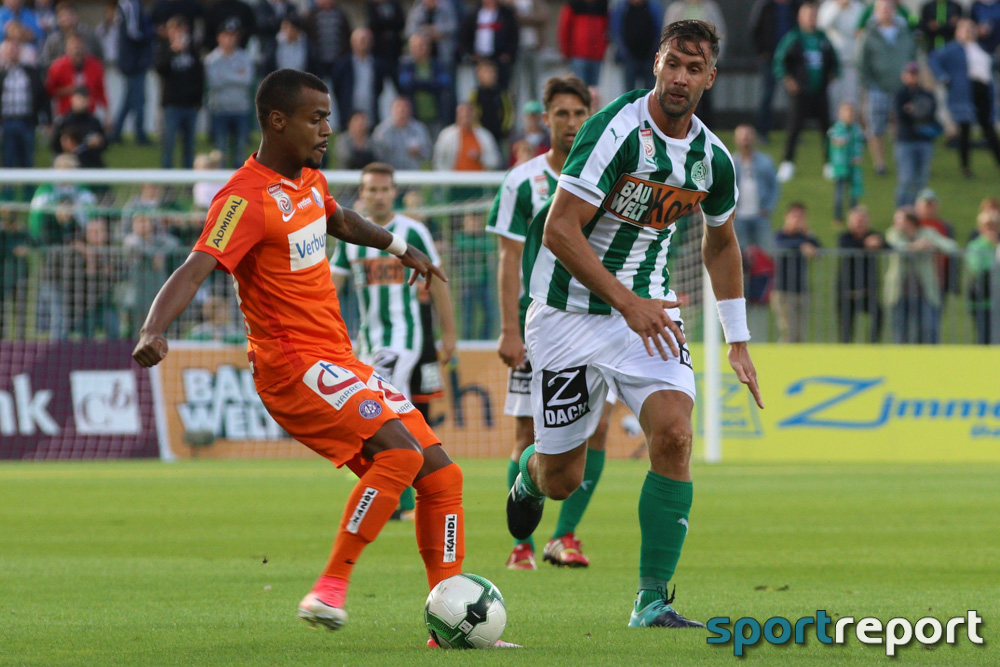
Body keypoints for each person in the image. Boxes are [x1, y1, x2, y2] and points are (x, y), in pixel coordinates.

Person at [130, 69, 515, 648]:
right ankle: (328, 588)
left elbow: (338, 220)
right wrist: (154, 329)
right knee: (400, 457)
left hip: (338, 357)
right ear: (277, 122)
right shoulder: (244, 197)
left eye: (328, 117)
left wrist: (402, 247)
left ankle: (448, 625)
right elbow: (198, 264)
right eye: (316, 118)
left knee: (444, 476)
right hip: (291, 367)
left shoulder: (310, 179)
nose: (327, 129)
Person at [507, 20, 763, 628]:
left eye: (693, 69)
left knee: (674, 435)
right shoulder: (614, 130)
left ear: (710, 79)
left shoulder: (711, 160)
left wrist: (738, 339)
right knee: (563, 479)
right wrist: (627, 301)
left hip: (646, 312)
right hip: (569, 314)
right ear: (655, 62)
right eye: (673, 63)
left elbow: (721, 245)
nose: (680, 78)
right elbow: (560, 229)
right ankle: (528, 477)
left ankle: (652, 600)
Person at [487, 74, 612, 570]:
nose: (571, 122)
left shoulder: (607, 176)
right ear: (546, 119)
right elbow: (507, 257)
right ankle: (521, 543)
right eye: (561, 114)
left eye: (579, 113)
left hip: (596, 323)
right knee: (528, 431)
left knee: (597, 431)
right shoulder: (523, 180)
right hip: (537, 324)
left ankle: (565, 537)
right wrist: (508, 329)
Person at [330, 162, 457, 521]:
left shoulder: (413, 231)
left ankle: (399, 501)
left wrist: (450, 334)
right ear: (362, 193)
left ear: (394, 193)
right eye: (372, 189)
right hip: (368, 343)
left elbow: (438, 281)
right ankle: (404, 500)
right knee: (390, 418)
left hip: (407, 340)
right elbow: (330, 289)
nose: (379, 195)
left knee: (385, 416)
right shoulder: (350, 238)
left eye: (384, 189)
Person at [773, 2, 838, 183]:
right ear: (800, 18)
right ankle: (787, 163)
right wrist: (788, 80)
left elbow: (835, 61)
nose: (811, 19)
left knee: (827, 128)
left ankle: (830, 163)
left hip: (820, 91)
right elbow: (779, 62)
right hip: (800, 93)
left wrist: (832, 75)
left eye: (813, 15)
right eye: (808, 15)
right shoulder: (793, 38)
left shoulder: (823, 38)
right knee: (794, 129)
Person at [928, 18, 1000, 178]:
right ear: (957, 32)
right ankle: (965, 167)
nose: (969, 32)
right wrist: (944, 77)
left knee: (988, 128)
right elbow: (933, 58)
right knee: (965, 129)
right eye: (965, 29)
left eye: (971, 28)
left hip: (983, 91)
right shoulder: (952, 49)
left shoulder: (980, 47)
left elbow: (990, 65)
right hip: (965, 92)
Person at [858, 0, 917, 175]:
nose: (885, 11)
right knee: (876, 126)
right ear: (875, 11)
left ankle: (901, 160)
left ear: (894, 10)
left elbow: (912, 56)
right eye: (881, 8)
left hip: (901, 87)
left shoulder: (904, 32)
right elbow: (861, 62)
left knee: (900, 124)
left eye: (888, 7)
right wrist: (869, 83)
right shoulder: (869, 34)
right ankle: (880, 163)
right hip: (878, 87)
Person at [884, 207, 958, 344]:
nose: (896, 223)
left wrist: (933, 245)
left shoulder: (927, 233)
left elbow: (951, 246)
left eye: (899, 220)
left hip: (925, 292)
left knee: (929, 329)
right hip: (898, 293)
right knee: (900, 332)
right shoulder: (893, 233)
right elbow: (896, 246)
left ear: (910, 221)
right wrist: (917, 246)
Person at [154, 15, 203, 169]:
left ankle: (188, 185)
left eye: (180, 29)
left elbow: (200, 76)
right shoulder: (163, 49)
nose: (178, 33)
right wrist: (173, 52)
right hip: (171, 105)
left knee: (189, 147)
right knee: (168, 147)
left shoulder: (193, 50)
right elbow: (160, 70)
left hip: (190, 106)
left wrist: (198, 101)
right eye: (174, 30)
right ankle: (168, 185)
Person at [749, 0, 802, 141]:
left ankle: (794, 132)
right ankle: (762, 132)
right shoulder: (765, 6)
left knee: (794, 97)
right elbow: (754, 28)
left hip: (791, 59)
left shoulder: (795, 6)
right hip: (770, 58)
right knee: (767, 95)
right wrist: (761, 51)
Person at [205, 20, 253, 169]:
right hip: (220, 109)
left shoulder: (244, 57)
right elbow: (214, 82)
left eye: (233, 36)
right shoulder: (211, 59)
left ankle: (239, 185)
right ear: (219, 37)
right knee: (221, 150)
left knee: (240, 151)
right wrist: (236, 75)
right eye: (226, 35)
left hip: (240, 109)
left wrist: (224, 75)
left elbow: (247, 79)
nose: (230, 39)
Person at [771, 202, 820, 343]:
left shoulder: (805, 237)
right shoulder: (780, 235)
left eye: (801, 217)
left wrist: (808, 234)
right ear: (786, 217)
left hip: (801, 290)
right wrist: (801, 246)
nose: (798, 220)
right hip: (783, 291)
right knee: (788, 332)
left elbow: (818, 249)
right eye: (794, 216)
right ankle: (783, 361)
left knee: (800, 334)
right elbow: (779, 245)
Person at [836, 205, 883, 342]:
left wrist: (877, 243)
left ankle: (872, 346)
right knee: (846, 331)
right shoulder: (845, 237)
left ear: (868, 221)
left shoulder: (875, 235)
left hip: (867, 292)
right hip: (847, 293)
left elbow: (886, 245)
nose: (859, 223)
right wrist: (866, 244)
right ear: (849, 222)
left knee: (879, 314)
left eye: (862, 219)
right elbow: (846, 245)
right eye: (856, 220)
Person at [894, 62, 938, 206]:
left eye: (915, 74)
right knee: (906, 178)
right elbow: (901, 114)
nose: (913, 77)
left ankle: (917, 212)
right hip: (906, 141)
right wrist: (914, 111)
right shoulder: (900, 94)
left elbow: (929, 112)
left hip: (924, 141)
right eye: (910, 74)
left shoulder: (926, 94)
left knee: (921, 179)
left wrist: (913, 110)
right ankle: (902, 210)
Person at [110, 0, 153, 146]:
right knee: (139, 100)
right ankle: (140, 134)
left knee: (129, 100)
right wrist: (152, 33)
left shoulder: (128, 4)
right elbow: (134, 32)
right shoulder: (130, 4)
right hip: (134, 62)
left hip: (131, 60)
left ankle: (116, 132)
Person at [732, 124, 780, 251]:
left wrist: (768, 207)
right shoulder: (731, 161)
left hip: (760, 215)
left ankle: (767, 272)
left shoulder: (765, 161)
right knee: (739, 252)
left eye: (748, 135)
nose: (745, 139)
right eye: (742, 136)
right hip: (738, 216)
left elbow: (775, 186)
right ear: (736, 139)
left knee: (766, 251)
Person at [817, 0, 863, 114]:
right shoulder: (828, 6)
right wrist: (837, 8)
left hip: (852, 61)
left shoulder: (858, 7)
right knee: (834, 97)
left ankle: (851, 126)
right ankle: (835, 127)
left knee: (852, 97)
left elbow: (860, 30)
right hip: (834, 63)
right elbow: (822, 25)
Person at [432, 101, 501, 171]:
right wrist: (446, 178)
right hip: (454, 180)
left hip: (480, 179)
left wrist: (481, 157)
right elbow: (438, 160)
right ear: (457, 115)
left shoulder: (485, 135)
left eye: (469, 113)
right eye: (462, 113)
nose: (466, 116)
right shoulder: (446, 135)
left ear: (474, 115)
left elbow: (495, 161)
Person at [610, 0, 662, 93]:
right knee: (629, 93)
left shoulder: (653, 7)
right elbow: (616, 31)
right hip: (629, 56)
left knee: (649, 92)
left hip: (649, 56)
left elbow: (659, 29)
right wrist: (622, 51)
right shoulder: (622, 8)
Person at [965, 209, 1000, 344]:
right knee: (984, 338)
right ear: (981, 227)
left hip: (998, 300)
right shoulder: (975, 245)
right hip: (983, 301)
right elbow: (977, 267)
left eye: (994, 225)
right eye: (988, 225)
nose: (991, 229)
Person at [827, 101, 864, 226]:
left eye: (851, 113)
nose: (849, 116)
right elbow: (833, 141)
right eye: (846, 113)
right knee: (839, 194)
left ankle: (854, 218)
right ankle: (837, 217)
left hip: (854, 167)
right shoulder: (837, 129)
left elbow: (860, 143)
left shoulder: (856, 129)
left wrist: (858, 156)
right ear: (840, 115)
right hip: (840, 168)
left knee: (854, 193)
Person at [557, 0, 609, 86]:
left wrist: (603, 50)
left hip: (596, 55)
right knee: (579, 88)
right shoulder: (573, 6)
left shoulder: (602, 6)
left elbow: (607, 29)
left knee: (593, 89)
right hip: (578, 55)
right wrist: (565, 52)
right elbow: (565, 30)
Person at [372, 97, 432, 171]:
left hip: (413, 174)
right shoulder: (382, 131)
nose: (402, 110)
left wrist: (419, 152)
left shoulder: (419, 129)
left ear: (410, 110)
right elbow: (375, 155)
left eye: (405, 107)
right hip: (389, 174)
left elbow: (428, 153)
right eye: (398, 107)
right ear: (392, 110)